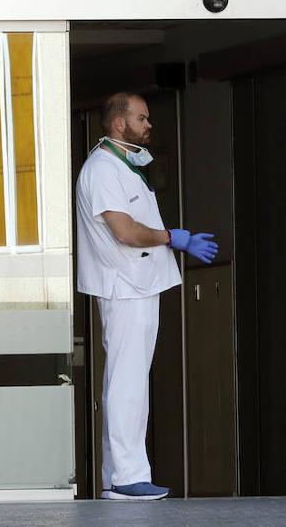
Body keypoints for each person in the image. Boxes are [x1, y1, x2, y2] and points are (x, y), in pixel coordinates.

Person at [75, 92, 217, 501]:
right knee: (126, 382)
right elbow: (124, 230)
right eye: (142, 118)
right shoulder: (102, 170)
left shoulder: (123, 166)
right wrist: (174, 237)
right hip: (125, 287)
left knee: (130, 380)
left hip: (137, 285)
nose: (148, 124)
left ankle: (121, 475)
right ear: (120, 124)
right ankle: (125, 477)